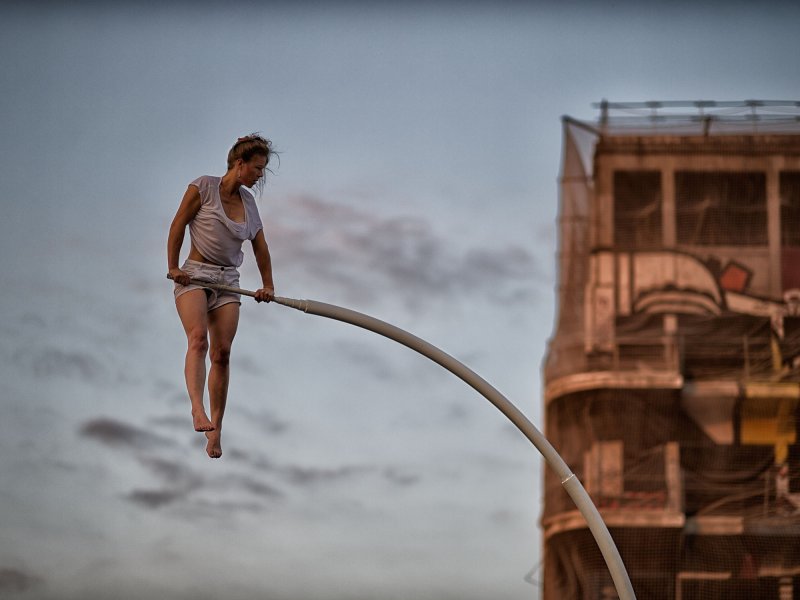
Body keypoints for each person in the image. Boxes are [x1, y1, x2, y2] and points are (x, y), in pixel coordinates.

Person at [167, 134, 276, 458]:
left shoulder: (249, 204)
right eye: (257, 168)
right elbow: (177, 226)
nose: (260, 175)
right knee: (198, 339)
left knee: (222, 354)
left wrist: (268, 285)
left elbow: (260, 247)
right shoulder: (203, 187)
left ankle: (216, 431)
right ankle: (197, 409)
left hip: (229, 281)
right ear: (239, 164)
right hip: (194, 275)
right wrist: (172, 266)